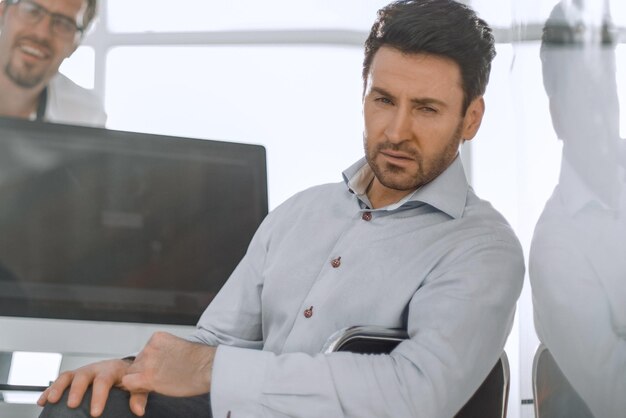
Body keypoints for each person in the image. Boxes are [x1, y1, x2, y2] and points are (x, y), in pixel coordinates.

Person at [38, 1, 524, 417]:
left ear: (471, 119)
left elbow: (416, 393)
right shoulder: (299, 214)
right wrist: (131, 371)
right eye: (383, 100)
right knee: (84, 402)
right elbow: (213, 345)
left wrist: (213, 370)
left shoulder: (482, 248)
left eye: (426, 109)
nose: (396, 131)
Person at [530, 2, 626, 417]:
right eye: (587, 96)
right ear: (557, 116)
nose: (605, 112)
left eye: (607, 87)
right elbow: (617, 397)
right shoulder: (557, 249)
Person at [0, 0, 106, 126]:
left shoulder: (86, 117)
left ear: (76, 45)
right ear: (2, 10)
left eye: (64, 24)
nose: (42, 34)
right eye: (32, 10)